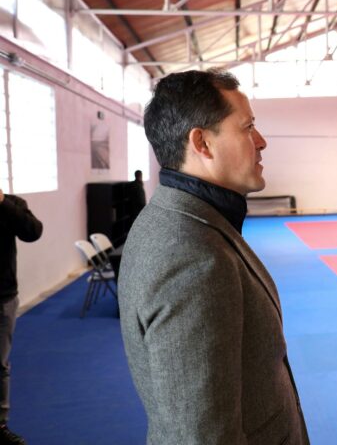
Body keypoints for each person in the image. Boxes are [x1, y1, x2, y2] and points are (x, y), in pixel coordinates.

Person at [118, 69, 309, 445]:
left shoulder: (179, 218)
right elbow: (201, 435)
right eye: (248, 127)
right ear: (202, 143)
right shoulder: (191, 257)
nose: (261, 141)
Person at [0, 188, 43, 445]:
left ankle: (1, 424)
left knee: (0, 365)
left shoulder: (12, 204)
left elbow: (33, 232)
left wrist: (3, 203)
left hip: (3, 298)